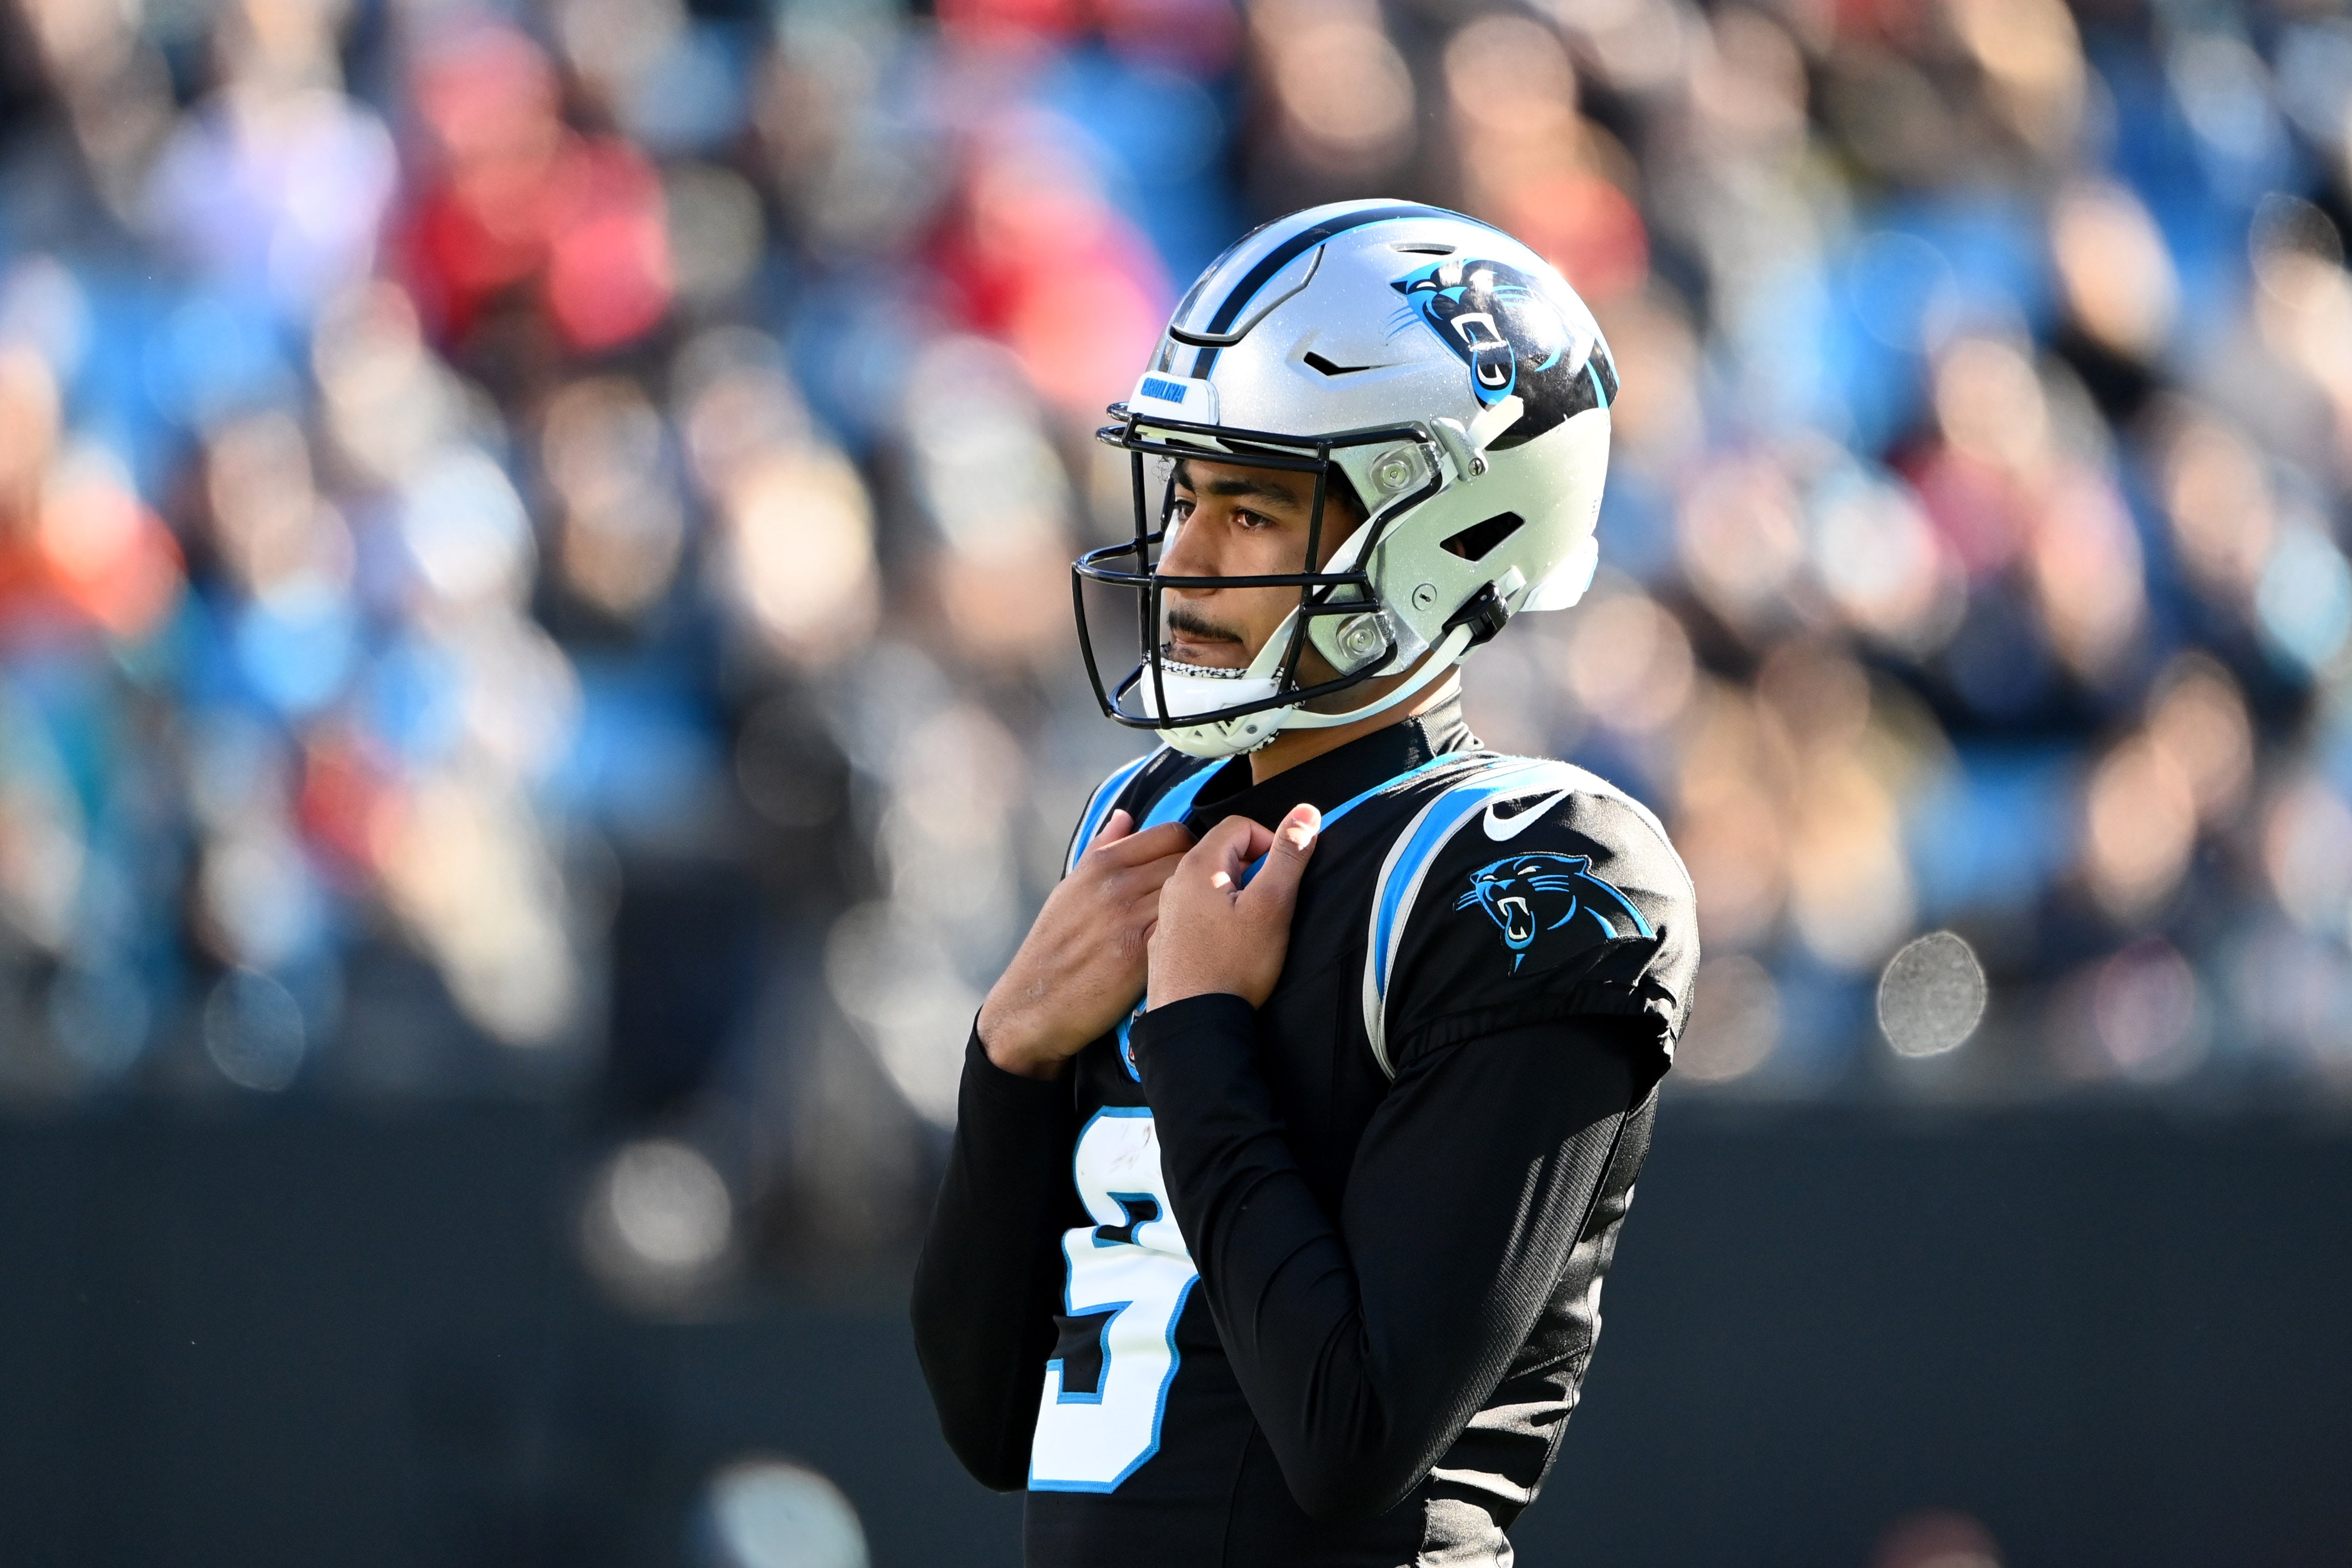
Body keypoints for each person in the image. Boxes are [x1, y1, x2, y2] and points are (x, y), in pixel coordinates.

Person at [911, 200, 1698, 1567]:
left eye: (1253, 506)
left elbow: (1351, 1437)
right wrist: (1008, 1058)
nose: (1185, 558)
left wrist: (1198, 1031)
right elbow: (989, 1420)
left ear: (1444, 531)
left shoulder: (1534, 871)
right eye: (1186, 497)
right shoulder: (1145, 818)